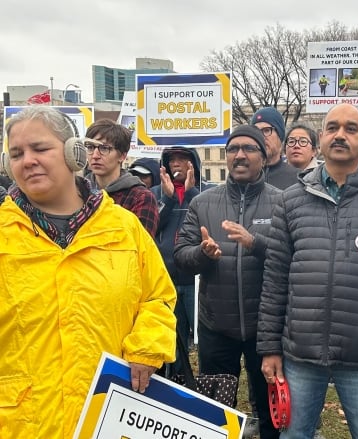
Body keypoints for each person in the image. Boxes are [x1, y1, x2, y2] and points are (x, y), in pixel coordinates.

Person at [0, 105, 176, 437]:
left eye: (40, 148)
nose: (28, 160)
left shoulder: (123, 228)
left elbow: (158, 296)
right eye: (17, 153)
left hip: (110, 417)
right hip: (26, 424)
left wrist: (148, 346)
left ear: (72, 153)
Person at [258, 103, 358, 439]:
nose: (340, 135)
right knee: (295, 435)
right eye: (332, 127)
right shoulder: (291, 201)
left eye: (350, 129)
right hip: (299, 352)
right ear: (320, 140)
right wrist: (270, 348)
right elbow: (275, 279)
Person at [174, 125, 281, 439]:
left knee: (270, 410)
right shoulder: (203, 203)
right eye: (233, 149)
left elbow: (296, 258)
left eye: (249, 149)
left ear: (263, 157)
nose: (240, 155)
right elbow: (181, 255)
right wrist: (203, 254)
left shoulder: (284, 202)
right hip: (216, 326)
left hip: (267, 329)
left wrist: (256, 243)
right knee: (215, 412)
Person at [153, 145, 212, 375]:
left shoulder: (205, 193)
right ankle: (176, 380)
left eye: (182, 159)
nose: (176, 163)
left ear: (193, 164)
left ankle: (203, 382)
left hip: (196, 281)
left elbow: (208, 223)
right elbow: (152, 226)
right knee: (173, 339)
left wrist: (189, 193)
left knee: (202, 338)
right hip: (167, 280)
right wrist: (167, 199)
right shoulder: (156, 192)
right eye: (172, 160)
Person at [84, 119, 159, 236]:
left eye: (104, 148)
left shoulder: (140, 197)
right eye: (90, 147)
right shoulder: (78, 192)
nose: (95, 155)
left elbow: (140, 245)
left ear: (122, 156)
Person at [251, 107, 299, 189]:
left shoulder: (298, 179)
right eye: (256, 131)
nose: (261, 137)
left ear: (280, 137)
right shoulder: (243, 177)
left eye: (266, 130)